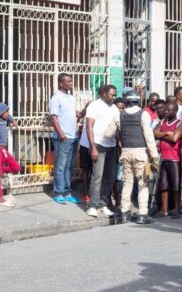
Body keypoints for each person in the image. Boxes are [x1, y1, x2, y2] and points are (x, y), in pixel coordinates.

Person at [118, 91, 159, 225]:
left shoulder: (121, 114)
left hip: (125, 153)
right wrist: (154, 156)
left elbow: (112, 133)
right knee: (143, 184)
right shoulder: (143, 114)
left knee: (127, 183)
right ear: (138, 101)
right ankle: (142, 214)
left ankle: (124, 213)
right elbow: (149, 136)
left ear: (126, 101)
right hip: (141, 154)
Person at [80, 84, 119, 217]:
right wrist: (93, 147)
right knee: (97, 176)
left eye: (115, 95)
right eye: (111, 94)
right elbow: (89, 128)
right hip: (98, 144)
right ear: (103, 93)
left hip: (111, 146)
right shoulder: (94, 106)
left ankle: (103, 203)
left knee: (109, 177)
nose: (114, 97)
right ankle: (93, 205)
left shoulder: (114, 108)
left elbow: (117, 128)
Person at [49, 74, 81, 206]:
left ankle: (67, 192)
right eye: (68, 81)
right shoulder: (56, 97)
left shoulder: (70, 97)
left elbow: (75, 114)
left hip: (73, 136)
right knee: (60, 167)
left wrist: (86, 109)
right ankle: (58, 193)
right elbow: (53, 117)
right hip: (63, 138)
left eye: (71, 80)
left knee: (69, 167)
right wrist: (61, 133)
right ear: (61, 83)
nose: (70, 83)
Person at [155, 102, 182, 218]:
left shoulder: (180, 123)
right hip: (164, 157)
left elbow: (175, 138)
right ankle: (164, 209)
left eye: (169, 110)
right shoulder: (162, 122)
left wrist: (161, 135)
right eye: (165, 110)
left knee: (175, 185)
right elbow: (154, 132)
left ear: (175, 111)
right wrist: (166, 133)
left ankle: (176, 208)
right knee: (163, 184)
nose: (166, 112)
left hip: (175, 158)